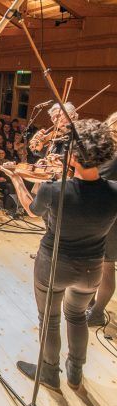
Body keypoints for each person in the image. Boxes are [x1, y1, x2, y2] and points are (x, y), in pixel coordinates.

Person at [4, 119, 117, 391]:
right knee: (77, 317)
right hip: (91, 269)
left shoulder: (54, 189)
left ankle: (49, 372)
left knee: (50, 319)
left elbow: (32, 210)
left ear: (73, 156)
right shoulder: (114, 191)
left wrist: (16, 178)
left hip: (55, 265)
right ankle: (75, 373)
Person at [87, 112, 117, 326]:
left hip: (111, 217)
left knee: (106, 265)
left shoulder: (113, 156)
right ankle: (90, 303)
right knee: (99, 263)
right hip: (104, 213)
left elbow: (99, 180)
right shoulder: (109, 152)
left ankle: (97, 313)